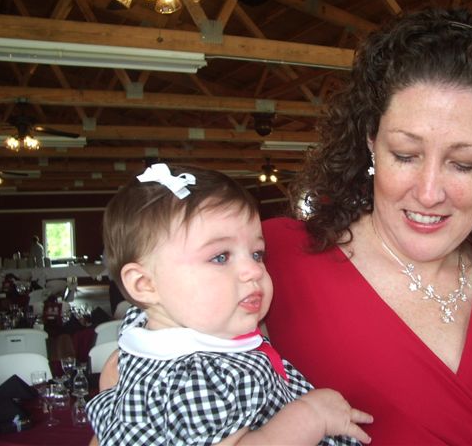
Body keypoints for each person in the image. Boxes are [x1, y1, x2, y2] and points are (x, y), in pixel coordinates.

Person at [261, 8, 472, 444]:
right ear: (371, 141)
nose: (429, 192)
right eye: (405, 155)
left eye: (463, 164)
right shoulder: (271, 261)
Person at [86, 163, 372, 446]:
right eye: (220, 257)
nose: (254, 270)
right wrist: (311, 417)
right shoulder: (195, 382)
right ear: (145, 284)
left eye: (257, 254)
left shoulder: (151, 327)